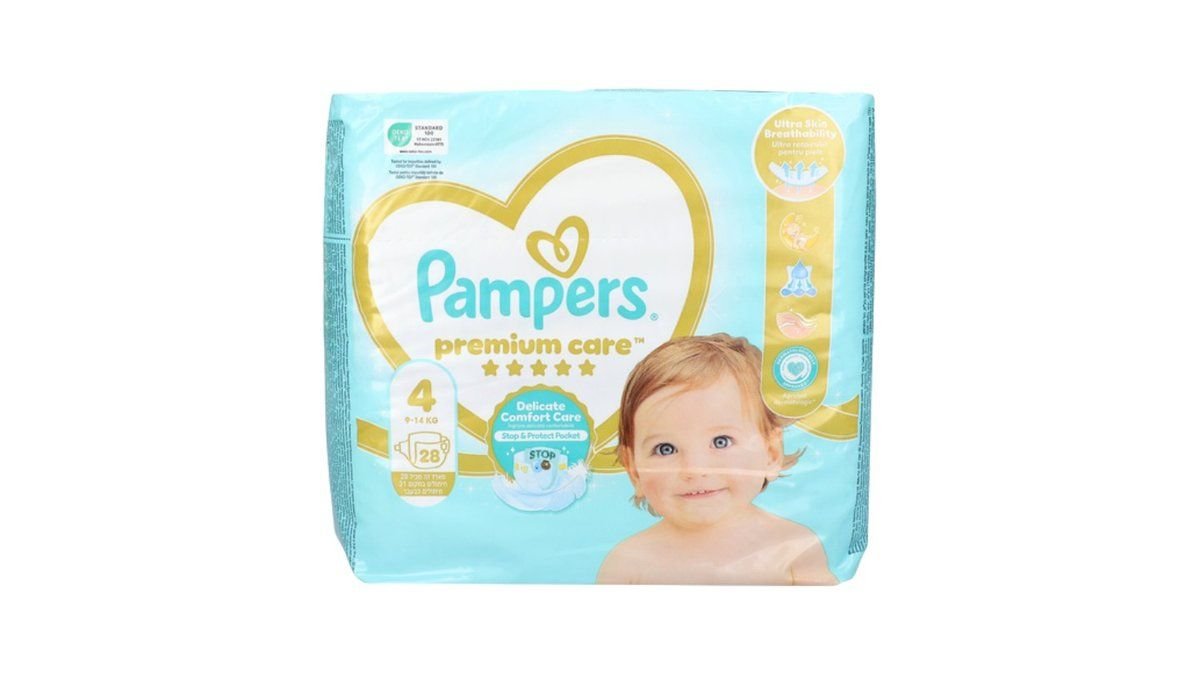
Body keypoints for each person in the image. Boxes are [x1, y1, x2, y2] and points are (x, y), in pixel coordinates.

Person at [597, 333, 836, 585]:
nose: (694, 469)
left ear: (771, 453)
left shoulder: (794, 549)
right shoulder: (628, 563)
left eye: (721, 441)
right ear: (634, 470)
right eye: (666, 449)